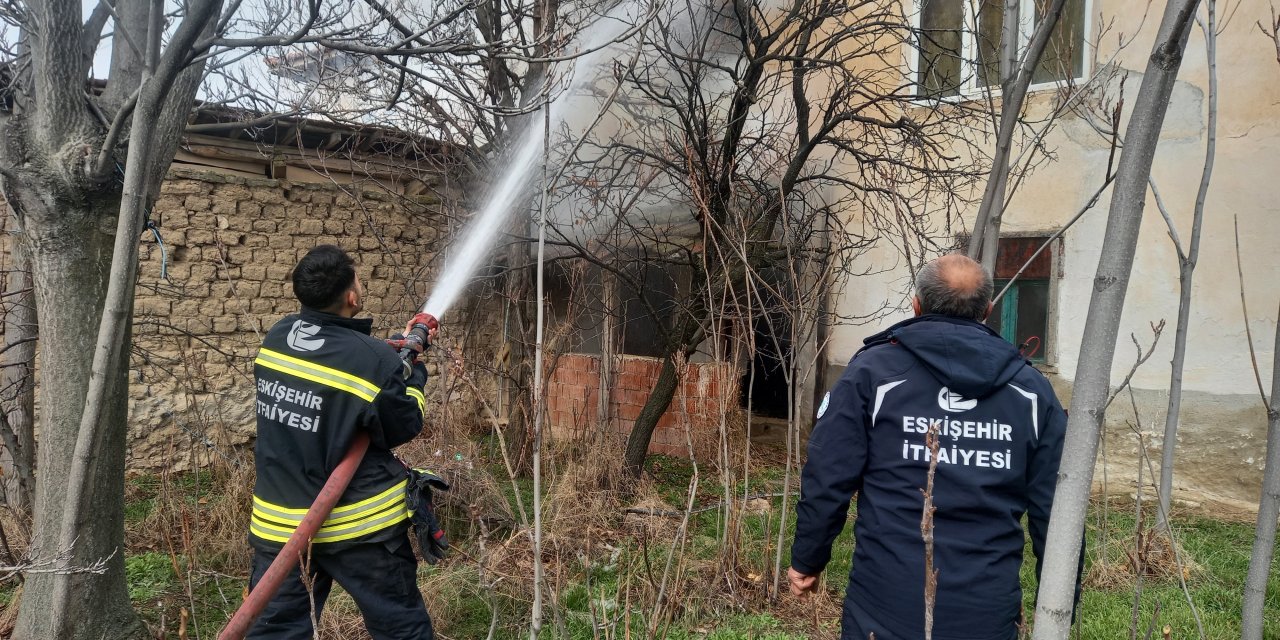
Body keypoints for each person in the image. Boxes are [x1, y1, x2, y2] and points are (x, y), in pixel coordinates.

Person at [789, 254, 1072, 640]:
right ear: (988, 311)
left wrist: (807, 560)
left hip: (885, 606)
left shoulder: (873, 372)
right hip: (984, 611)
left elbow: (828, 475)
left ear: (917, 304)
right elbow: (1057, 508)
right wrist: (1059, 602)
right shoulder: (1032, 391)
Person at [247, 244, 436, 640]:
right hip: (361, 529)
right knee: (399, 628)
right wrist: (414, 375)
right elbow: (402, 425)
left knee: (275, 633)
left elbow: (336, 361)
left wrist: (391, 352)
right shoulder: (373, 361)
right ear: (352, 296)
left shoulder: (277, 336)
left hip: (280, 529)